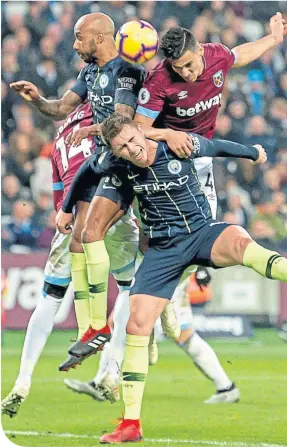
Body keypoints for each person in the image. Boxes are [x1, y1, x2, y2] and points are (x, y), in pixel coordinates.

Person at [91, 113, 286, 443]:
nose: (131, 148)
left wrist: (252, 152)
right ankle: (130, 424)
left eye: (132, 139)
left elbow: (216, 146)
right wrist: (68, 208)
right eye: (122, 147)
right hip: (163, 250)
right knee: (136, 324)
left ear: (140, 132)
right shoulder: (116, 167)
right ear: (116, 151)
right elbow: (87, 174)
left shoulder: (176, 146)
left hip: (201, 233)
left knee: (242, 244)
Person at [9, 12, 145, 370]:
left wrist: (91, 131)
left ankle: (109, 326)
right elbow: (61, 109)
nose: (74, 44)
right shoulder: (90, 73)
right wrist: (37, 99)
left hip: (126, 163)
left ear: (99, 38)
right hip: (100, 164)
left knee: (92, 234)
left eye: (79, 37)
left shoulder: (127, 73)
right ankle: (94, 327)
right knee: (76, 237)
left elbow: (124, 121)